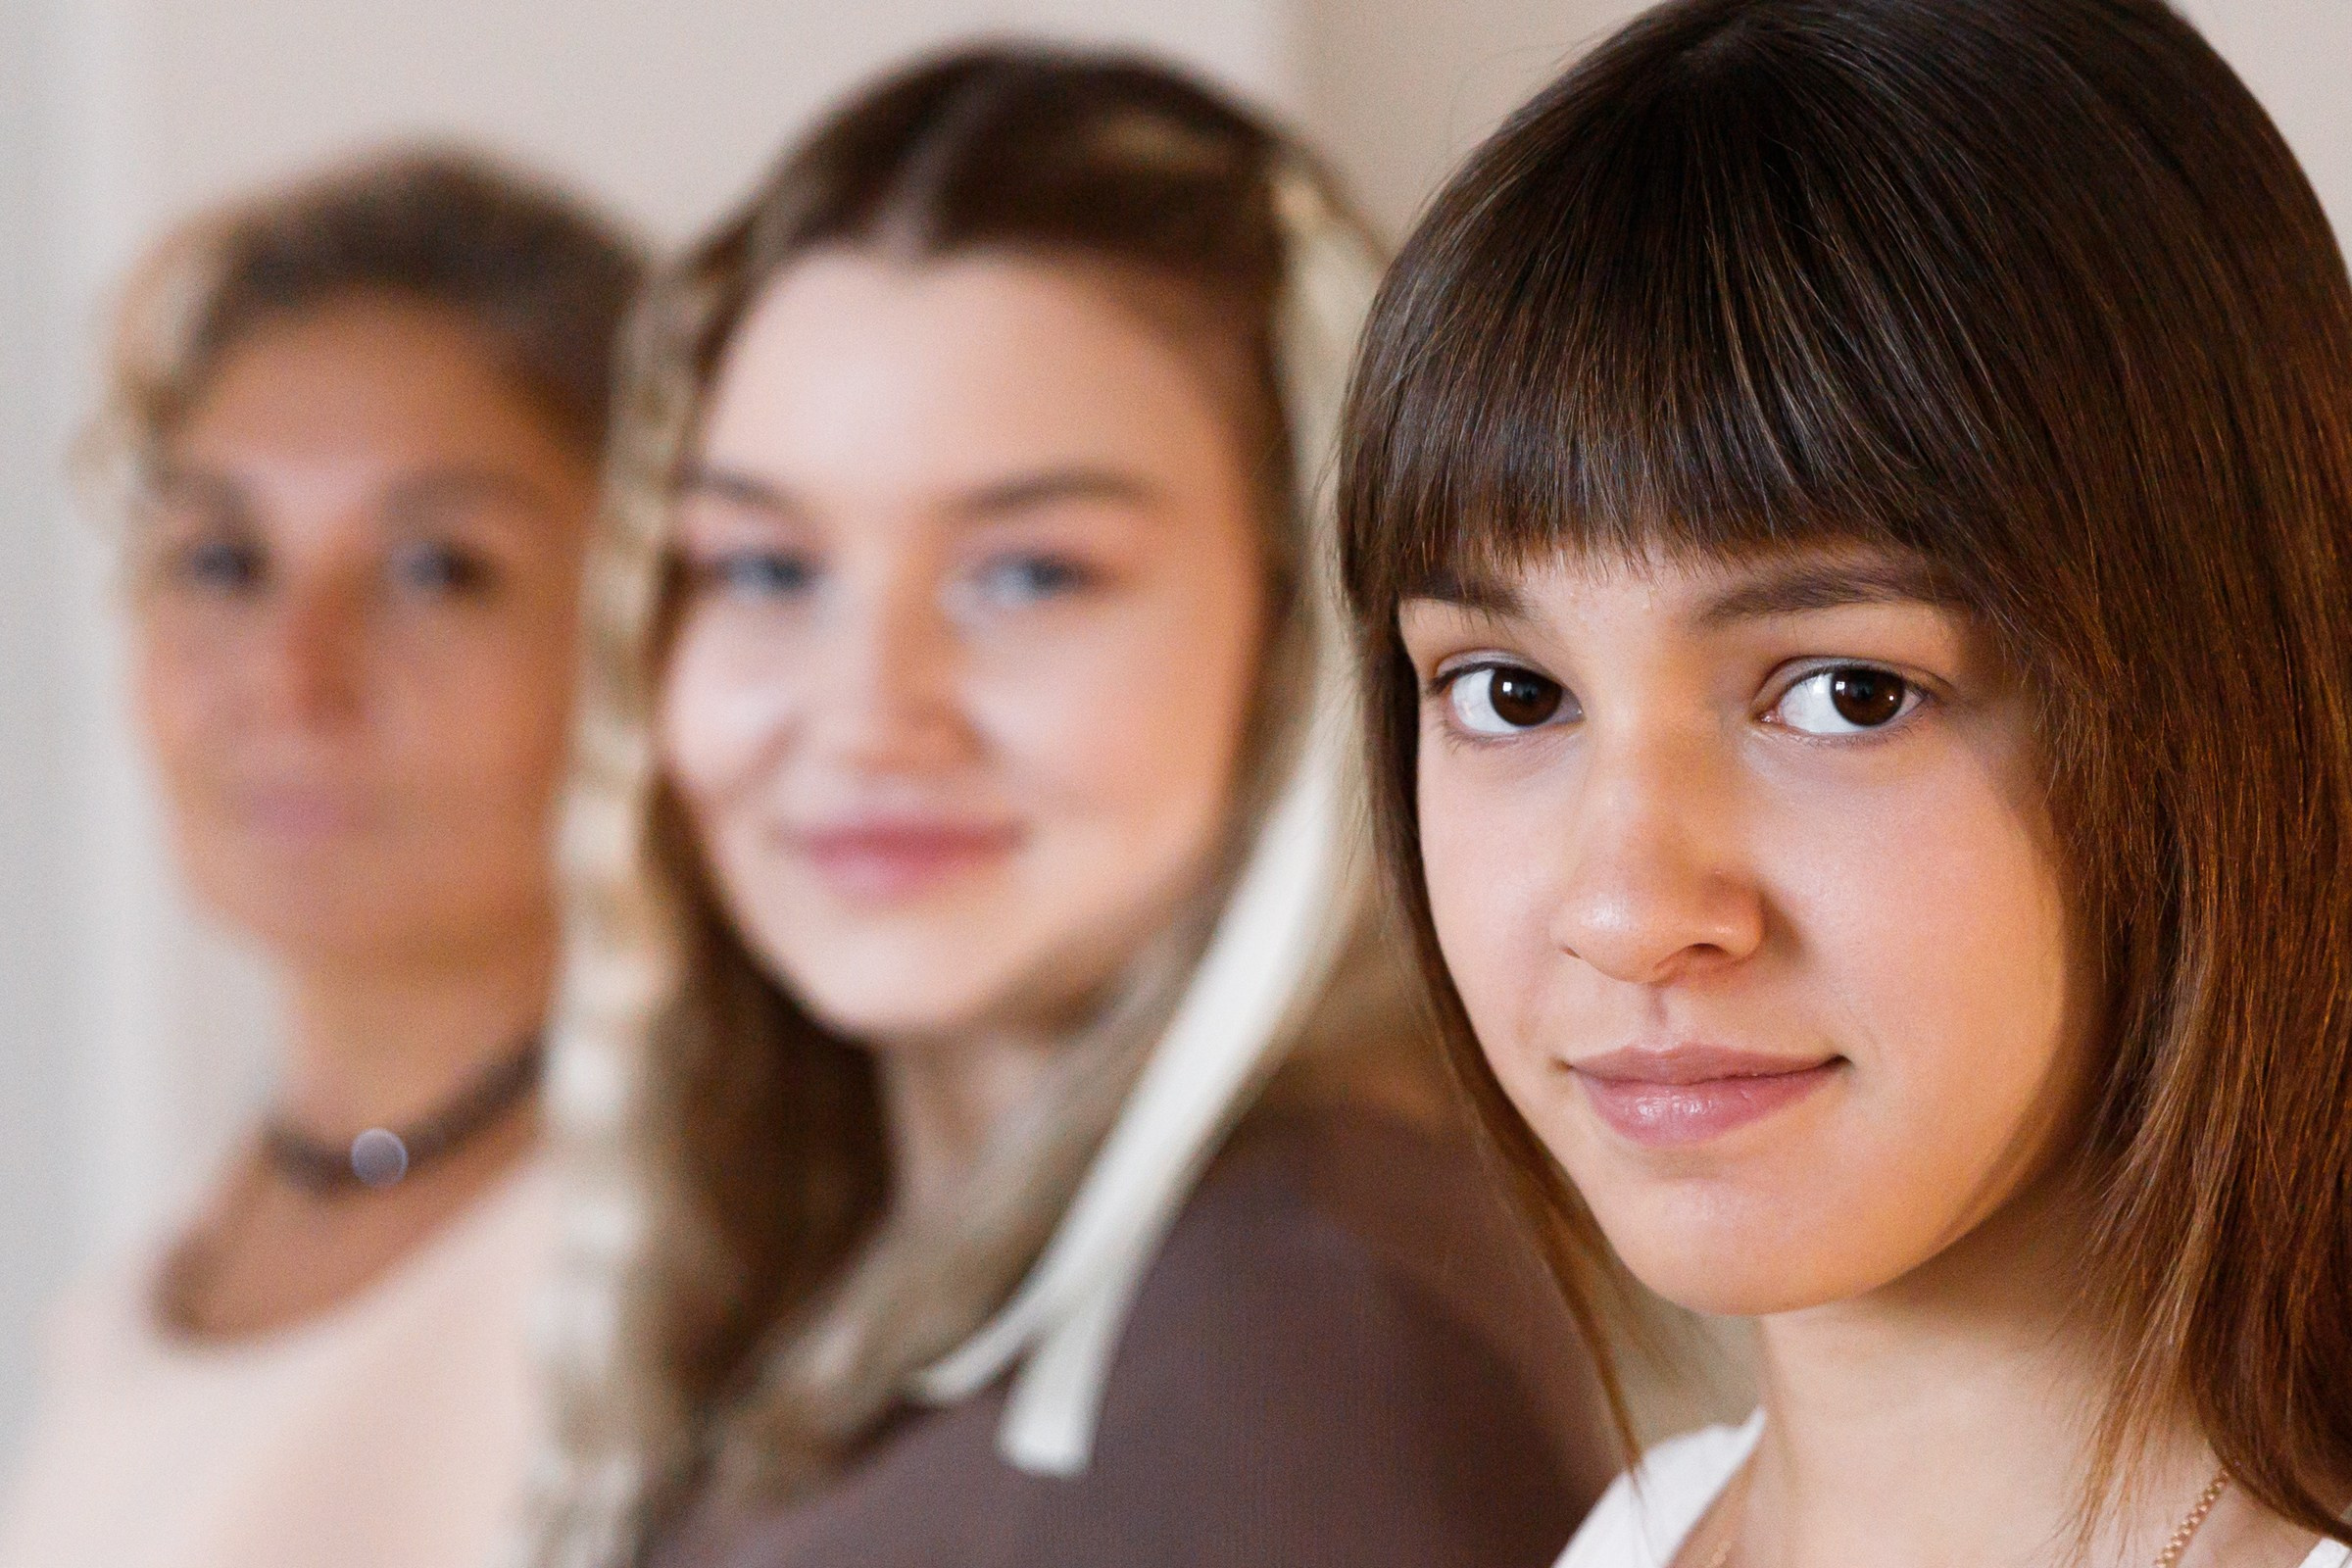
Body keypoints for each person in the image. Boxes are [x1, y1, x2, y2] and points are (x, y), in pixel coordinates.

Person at [520, 45, 1617, 1568]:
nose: (865, 709)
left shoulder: (1292, 1345)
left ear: (1308, 633)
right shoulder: (875, 1279)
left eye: (1029, 573)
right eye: (765, 567)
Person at [1337, 0, 2352, 1564]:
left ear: (2224, 695)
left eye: (1845, 694)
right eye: (1512, 693)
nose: (1627, 912)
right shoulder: (1643, 1532)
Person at [0, 151, 646, 1568]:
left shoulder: (675, 1287)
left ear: (644, 632)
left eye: (434, 571)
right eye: (224, 562)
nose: (293, 682)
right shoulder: (154, 1278)